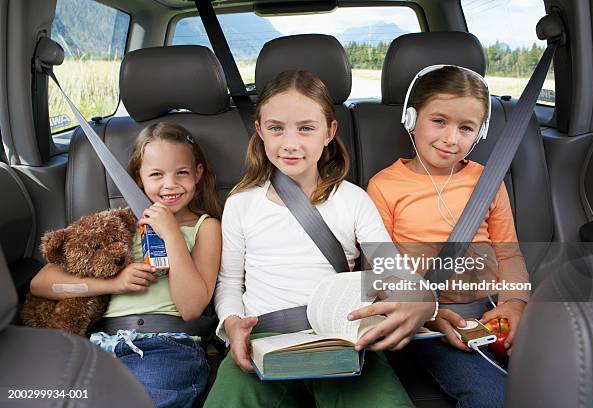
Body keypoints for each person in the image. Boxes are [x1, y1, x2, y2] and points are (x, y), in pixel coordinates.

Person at [204, 70, 436, 408]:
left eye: (306, 128)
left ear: (329, 132)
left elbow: (393, 270)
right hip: (263, 343)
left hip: (340, 340)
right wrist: (232, 324)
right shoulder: (242, 203)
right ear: (259, 131)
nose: (290, 143)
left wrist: (423, 300)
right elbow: (228, 284)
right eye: (276, 128)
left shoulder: (353, 200)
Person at [367, 65, 530, 408]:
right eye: (439, 121)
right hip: (429, 321)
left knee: (566, 377)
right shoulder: (385, 186)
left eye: (466, 128)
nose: (451, 138)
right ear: (411, 119)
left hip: (491, 310)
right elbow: (381, 269)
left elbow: (509, 254)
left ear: (480, 133)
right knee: (490, 397)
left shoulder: (488, 181)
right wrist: (428, 314)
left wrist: (514, 305)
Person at [30, 121, 222, 408]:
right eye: (156, 174)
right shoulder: (117, 226)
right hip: (103, 345)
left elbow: (191, 306)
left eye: (181, 173)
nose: (170, 184)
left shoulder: (205, 228)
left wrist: (171, 234)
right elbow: (42, 282)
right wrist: (113, 284)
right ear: (138, 178)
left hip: (167, 346)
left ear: (198, 173)